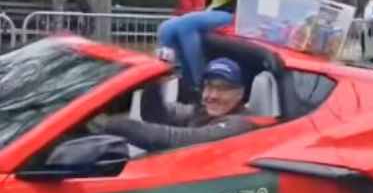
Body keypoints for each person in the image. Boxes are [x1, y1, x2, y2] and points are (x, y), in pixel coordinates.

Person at [88, 57, 257, 152]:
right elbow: (157, 116)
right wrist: (154, 84)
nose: (212, 96)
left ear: (241, 93)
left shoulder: (239, 124)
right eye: (209, 87)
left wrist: (109, 124)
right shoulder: (201, 112)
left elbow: (179, 139)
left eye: (223, 89)